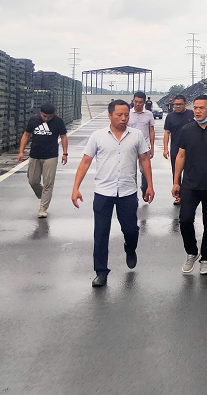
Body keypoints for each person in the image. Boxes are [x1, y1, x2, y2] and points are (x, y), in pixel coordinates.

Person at [71, 99, 155, 287]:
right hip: (103, 192)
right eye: (119, 115)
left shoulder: (136, 135)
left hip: (127, 191)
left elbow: (144, 160)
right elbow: (85, 162)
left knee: (130, 230)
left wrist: (149, 185)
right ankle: (101, 271)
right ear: (110, 116)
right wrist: (76, 188)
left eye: (126, 114)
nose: (124, 118)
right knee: (101, 233)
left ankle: (130, 248)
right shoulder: (97, 136)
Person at [172, 95, 207, 275]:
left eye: (201, 108)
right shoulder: (187, 130)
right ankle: (191, 252)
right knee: (185, 219)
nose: (197, 111)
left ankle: (206, 259)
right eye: (195, 108)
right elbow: (181, 156)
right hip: (190, 183)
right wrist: (176, 182)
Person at [17, 102, 68, 218]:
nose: (46, 119)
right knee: (33, 181)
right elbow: (26, 135)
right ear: (40, 113)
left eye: (49, 117)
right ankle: (44, 195)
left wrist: (65, 153)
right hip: (35, 155)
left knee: (48, 183)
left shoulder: (58, 121)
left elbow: (63, 136)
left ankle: (43, 208)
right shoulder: (33, 120)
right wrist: (21, 151)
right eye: (44, 116)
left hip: (51, 156)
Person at [163, 94, 194, 205]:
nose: (177, 106)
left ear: (185, 104)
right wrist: (165, 148)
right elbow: (167, 133)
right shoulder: (170, 117)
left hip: (190, 149)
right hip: (176, 149)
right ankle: (178, 196)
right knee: (176, 173)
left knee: (189, 172)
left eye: (180, 104)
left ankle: (189, 194)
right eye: (175, 104)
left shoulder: (191, 114)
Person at [127, 90, 155, 204]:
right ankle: (132, 194)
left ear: (144, 102)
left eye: (140, 102)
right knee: (131, 170)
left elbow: (151, 131)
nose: (137, 104)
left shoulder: (149, 114)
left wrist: (152, 147)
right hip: (130, 146)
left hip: (145, 146)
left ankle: (145, 189)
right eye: (135, 101)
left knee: (145, 170)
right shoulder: (128, 113)